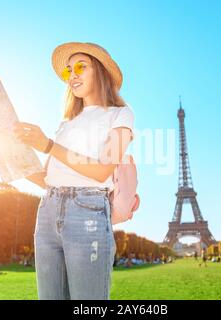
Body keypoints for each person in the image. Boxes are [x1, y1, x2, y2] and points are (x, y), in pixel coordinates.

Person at [14, 42, 135, 300]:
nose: (73, 75)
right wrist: (6, 154)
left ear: (100, 71)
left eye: (81, 67)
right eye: (69, 71)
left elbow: (103, 169)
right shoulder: (66, 123)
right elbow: (48, 180)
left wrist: (48, 145)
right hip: (47, 212)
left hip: (87, 212)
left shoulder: (120, 114)